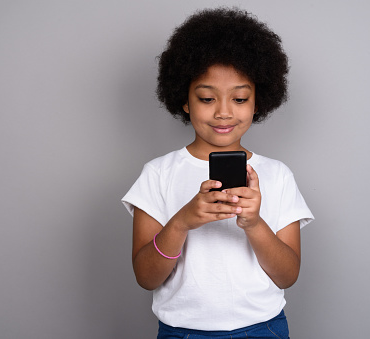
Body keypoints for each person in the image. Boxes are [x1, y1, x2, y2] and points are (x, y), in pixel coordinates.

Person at [122, 7, 314, 339]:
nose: (224, 112)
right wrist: (182, 221)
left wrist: (254, 223)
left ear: (257, 102)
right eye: (207, 98)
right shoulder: (158, 174)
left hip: (262, 329)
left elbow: (287, 276)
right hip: (183, 332)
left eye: (239, 98)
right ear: (185, 100)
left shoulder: (278, 175)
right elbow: (146, 277)